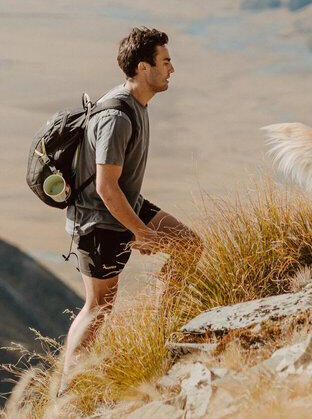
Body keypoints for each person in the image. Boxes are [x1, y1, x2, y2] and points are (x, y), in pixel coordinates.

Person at [59, 26, 200, 389]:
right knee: (98, 306)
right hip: (98, 221)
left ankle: (162, 330)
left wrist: (141, 225)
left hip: (125, 206)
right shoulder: (117, 117)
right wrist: (140, 231)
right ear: (143, 68)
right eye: (165, 62)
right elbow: (106, 187)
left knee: (189, 245)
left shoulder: (137, 103)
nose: (172, 69)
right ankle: (66, 391)